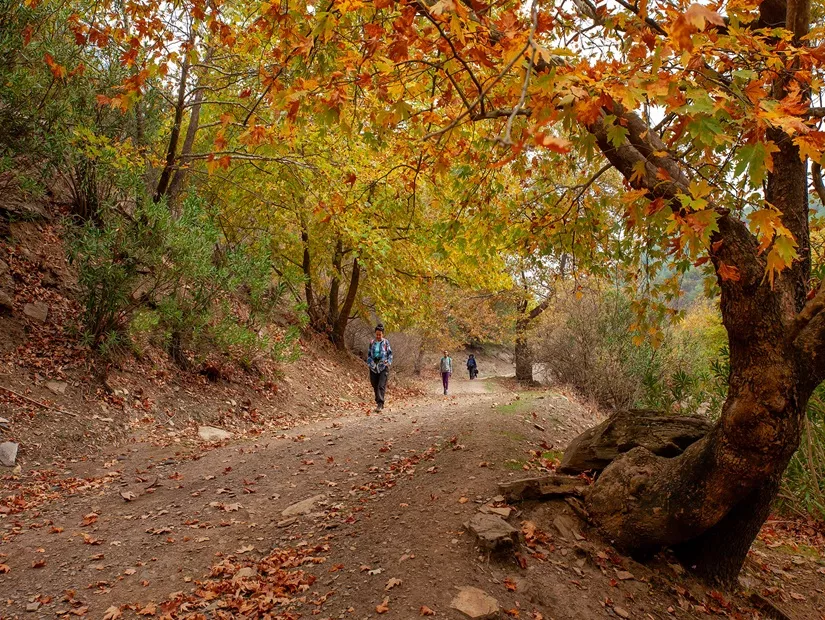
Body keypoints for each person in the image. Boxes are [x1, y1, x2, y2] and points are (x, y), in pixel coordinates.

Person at [366, 323, 392, 412]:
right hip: (373, 366)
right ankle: (378, 401)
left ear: (382, 334)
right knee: (374, 384)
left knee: (381, 385)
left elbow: (390, 354)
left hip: (383, 366)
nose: (378, 336)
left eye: (380, 334)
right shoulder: (372, 342)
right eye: (377, 334)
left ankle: (380, 404)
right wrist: (369, 363)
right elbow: (369, 354)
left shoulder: (386, 342)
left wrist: (388, 362)